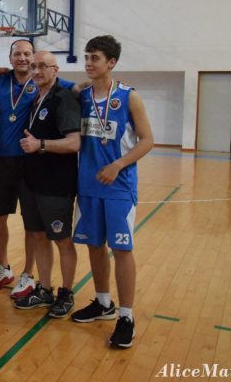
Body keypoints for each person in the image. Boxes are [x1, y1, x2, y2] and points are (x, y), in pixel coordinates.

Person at [70, 35, 154, 349]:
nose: (88, 63)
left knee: (121, 250)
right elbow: (54, 84)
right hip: (88, 186)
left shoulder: (129, 97)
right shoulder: (81, 95)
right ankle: (103, 302)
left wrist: (118, 164)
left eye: (95, 58)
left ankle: (127, 316)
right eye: (86, 57)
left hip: (118, 187)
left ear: (111, 62)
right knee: (94, 245)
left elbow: (147, 140)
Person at [13, 50, 80, 319]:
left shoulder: (63, 98)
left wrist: (40, 144)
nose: (37, 71)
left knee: (61, 240)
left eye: (43, 66)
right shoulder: (36, 98)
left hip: (56, 184)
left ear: (55, 69)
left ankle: (67, 292)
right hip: (32, 181)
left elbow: (74, 142)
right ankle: (45, 289)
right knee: (38, 236)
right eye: (33, 67)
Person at [0, 39, 39, 298]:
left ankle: (28, 273)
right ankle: (4, 267)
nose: (22, 58)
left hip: (30, 160)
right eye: (17, 54)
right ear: (10, 58)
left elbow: (73, 89)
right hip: (1, 158)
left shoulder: (41, 82)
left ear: (33, 57)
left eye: (27, 54)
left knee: (31, 221)